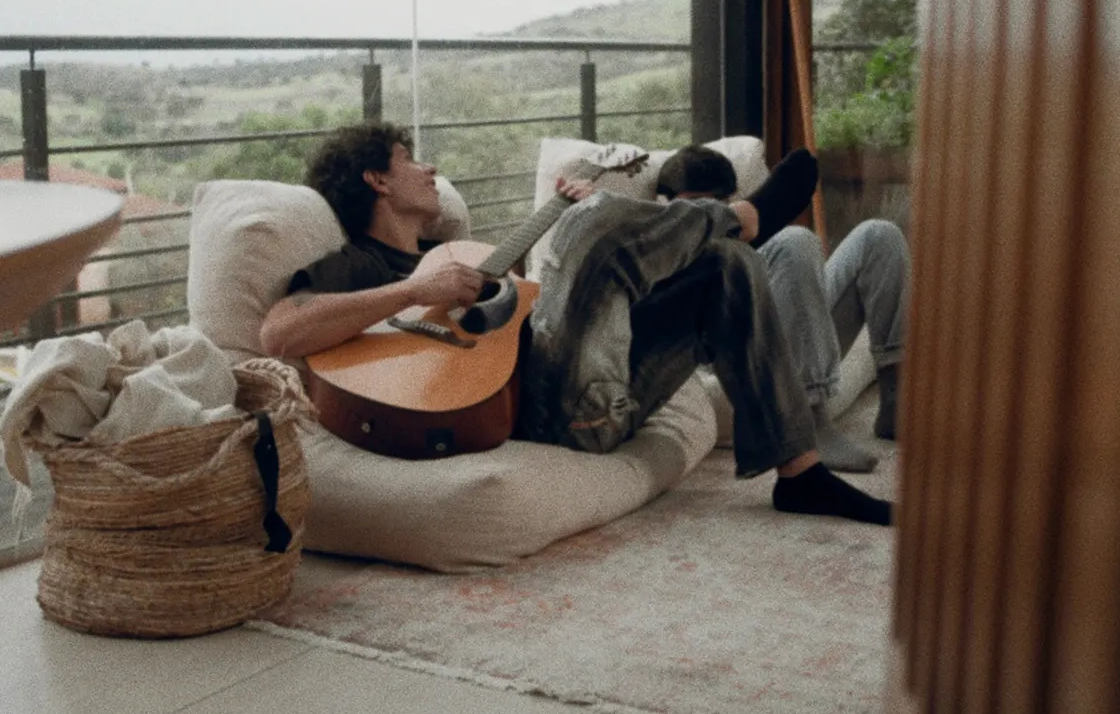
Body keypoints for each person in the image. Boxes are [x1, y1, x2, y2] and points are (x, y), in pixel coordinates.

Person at [260, 122, 890, 525]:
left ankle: (801, 472)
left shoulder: (464, 252)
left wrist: (578, 247)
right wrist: (419, 289)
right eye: (409, 159)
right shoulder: (356, 264)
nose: (429, 170)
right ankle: (743, 216)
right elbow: (281, 335)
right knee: (595, 227)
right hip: (549, 411)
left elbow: (540, 318)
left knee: (726, 265)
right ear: (376, 179)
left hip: (601, 387)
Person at [654, 145, 910, 472]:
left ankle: (896, 398)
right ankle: (808, 427)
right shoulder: (651, 242)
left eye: (720, 205)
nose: (711, 214)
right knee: (795, 240)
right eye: (696, 204)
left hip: (791, 344)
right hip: (731, 367)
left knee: (879, 234)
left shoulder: (748, 231)